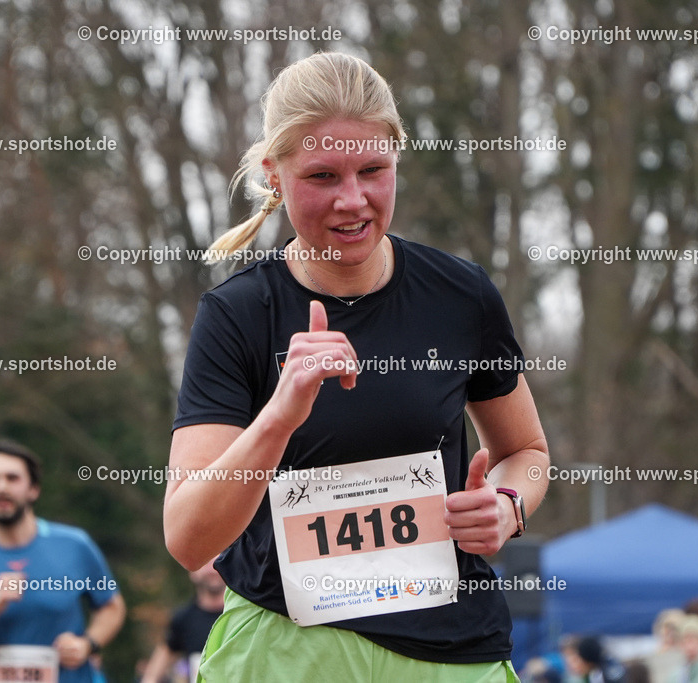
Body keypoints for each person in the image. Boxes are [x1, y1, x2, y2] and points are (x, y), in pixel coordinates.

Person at [163, 51, 550, 682]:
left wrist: (507, 506)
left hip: (450, 652)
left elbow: (527, 451)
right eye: (321, 176)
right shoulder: (238, 315)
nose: (354, 200)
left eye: (374, 169)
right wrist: (277, 420)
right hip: (286, 650)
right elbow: (188, 539)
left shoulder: (462, 296)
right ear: (274, 173)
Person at [0, 439, 126, 683]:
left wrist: (87, 644)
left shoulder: (75, 545)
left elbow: (112, 606)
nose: (1, 486)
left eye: (12, 478)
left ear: (33, 489)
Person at [141, 562, 225, 683]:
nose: (212, 570)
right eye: (205, 563)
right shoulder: (183, 619)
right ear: (192, 572)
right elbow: (152, 675)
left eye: (217, 561)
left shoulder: (246, 614)